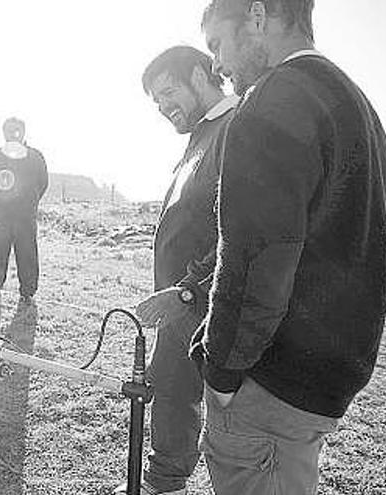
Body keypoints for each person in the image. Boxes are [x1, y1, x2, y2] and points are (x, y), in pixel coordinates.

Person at [191, 1, 386, 494]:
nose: (216, 63)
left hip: (273, 377)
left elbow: (256, 254)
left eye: (217, 44)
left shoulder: (274, 99)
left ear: (258, 16)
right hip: (324, 375)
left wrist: (221, 373)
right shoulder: (357, 105)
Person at [115, 47, 238, 495]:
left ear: (201, 74)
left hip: (207, 299)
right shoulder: (202, 134)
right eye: (157, 101)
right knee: (169, 389)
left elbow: (240, 229)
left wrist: (188, 290)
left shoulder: (236, 127)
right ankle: (164, 483)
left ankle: (166, 482)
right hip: (183, 300)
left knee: (223, 414)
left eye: (170, 91)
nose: (165, 108)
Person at [0, 117, 48, 316]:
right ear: (4, 133)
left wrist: (30, 201)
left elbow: (43, 183)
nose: (14, 134)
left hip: (25, 216)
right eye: (10, 130)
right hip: (0, 215)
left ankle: (27, 293)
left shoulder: (35, 156)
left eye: (17, 130)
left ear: (23, 132)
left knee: (27, 254)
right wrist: (2, 198)